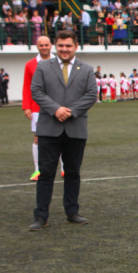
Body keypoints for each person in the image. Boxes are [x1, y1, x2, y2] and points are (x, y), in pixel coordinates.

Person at [28, 29, 98, 231]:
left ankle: (72, 212)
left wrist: (72, 111)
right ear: (54, 46)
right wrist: (55, 109)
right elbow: (36, 91)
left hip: (75, 129)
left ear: (76, 46)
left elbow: (91, 94)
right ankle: (41, 216)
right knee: (46, 173)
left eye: (68, 46)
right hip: (49, 129)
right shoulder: (43, 67)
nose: (64, 49)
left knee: (73, 173)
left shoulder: (86, 69)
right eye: (60, 46)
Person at [23, 35, 55, 181]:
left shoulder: (59, 61)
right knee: (38, 138)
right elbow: (27, 86)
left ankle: (64, 168)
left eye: (46, 45)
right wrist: (26, 106)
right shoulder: (30, 64)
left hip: (58, 105)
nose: (44, 47)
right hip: (37, 107)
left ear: (51, 45)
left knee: (62, 136)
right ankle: (38, 169)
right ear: (37, 46)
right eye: (41, 45)